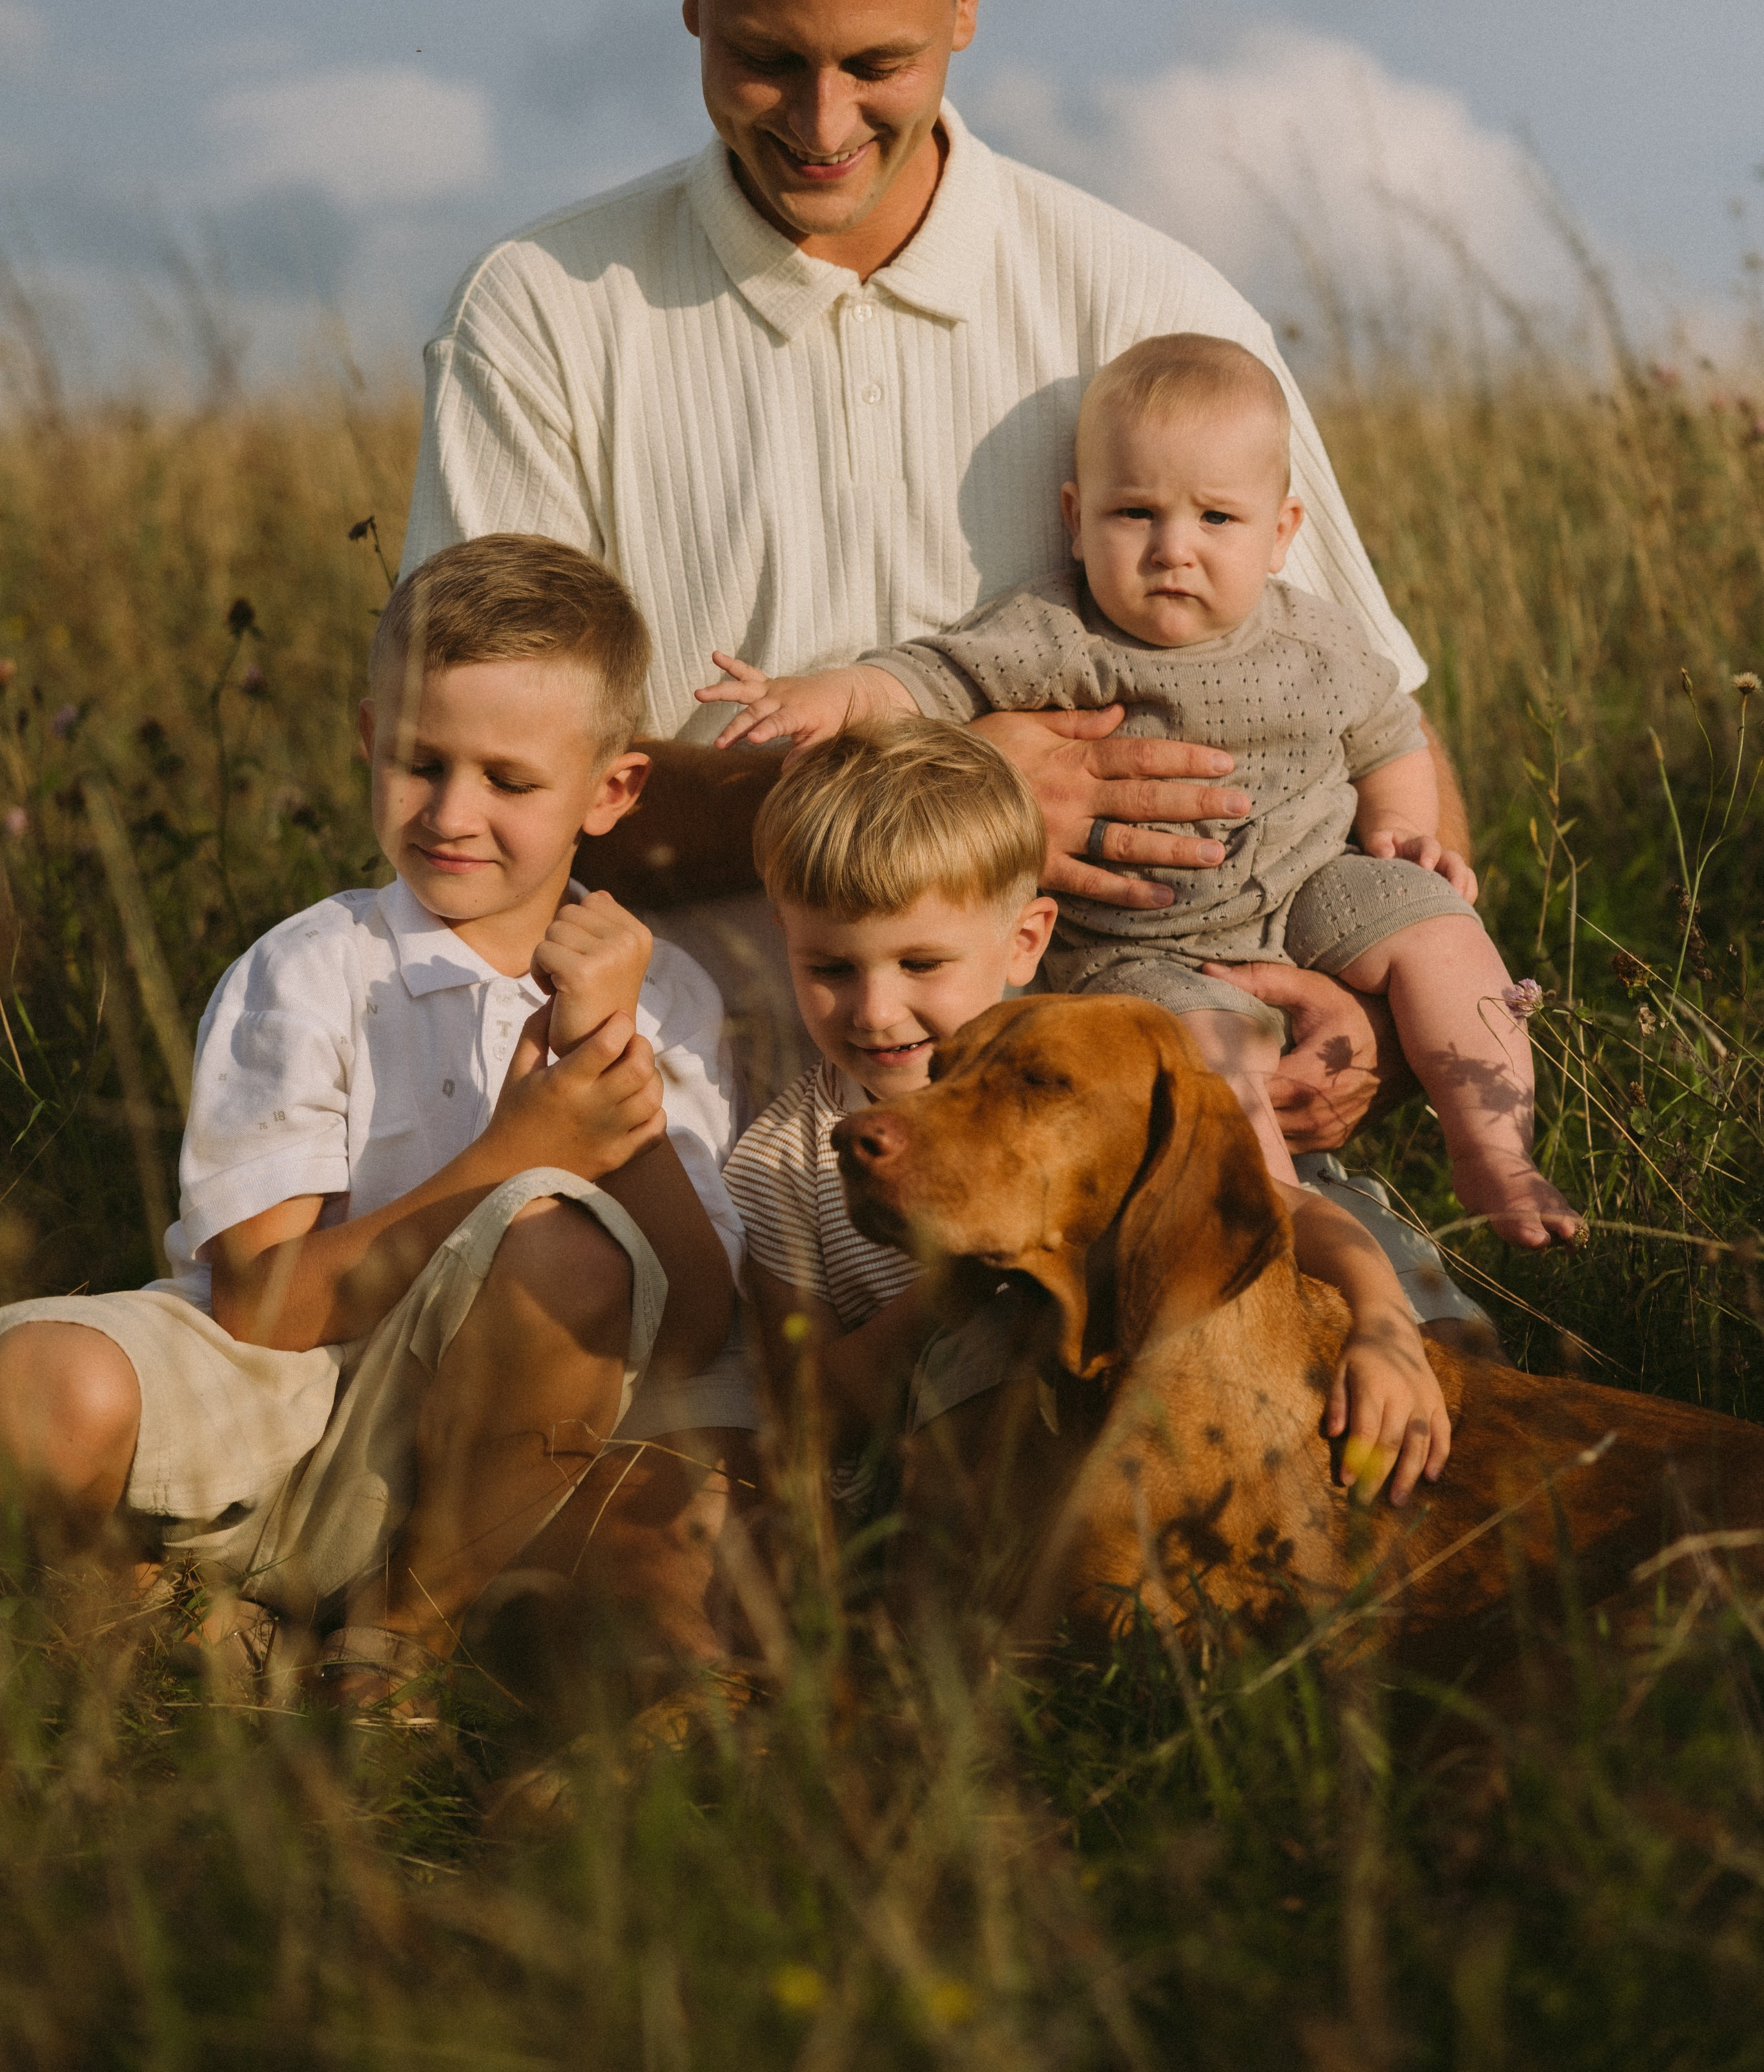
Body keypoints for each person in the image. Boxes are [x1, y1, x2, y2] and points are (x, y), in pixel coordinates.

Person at [401, 0, 1462, 1155]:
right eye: (765, 59)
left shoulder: (1156, 310)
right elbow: (479, 810)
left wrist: (1367, 1019)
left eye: (876, 63)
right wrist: (956, 785)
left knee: (1378, 1306)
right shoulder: (538, 313)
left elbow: (1374, 726)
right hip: (678, 1130)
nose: (822, 123)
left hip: (1111, 1129)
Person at [0, 535, 748, 1707]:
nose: (452, 812)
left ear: (613, 791)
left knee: (569, 1253)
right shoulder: (308, 969)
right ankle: (135, 1602)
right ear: (367, 738)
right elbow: (258, 1310)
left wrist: (612, 1079)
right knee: (38, 1384)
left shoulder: (666, 999)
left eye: (508, 781)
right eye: (418, 762)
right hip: (265, 1406)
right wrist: (515, 1153)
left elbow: (697, 1328)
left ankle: (393, 1645)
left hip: (492, 1468)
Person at [703, 334, 1581, 1253]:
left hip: (1313, 885)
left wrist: (1402, 830)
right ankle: (1283, 1235)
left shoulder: (1319, 641)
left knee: (1442, 931)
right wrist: (826, 697)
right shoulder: (1058, 631)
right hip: (1142, 945)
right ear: (1076, 520)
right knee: (1205, 1064)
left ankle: (1493, 1149)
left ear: (1282, 532)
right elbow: (929, 678)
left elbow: (1389, 735)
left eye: (1216, 518)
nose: (1173, 550)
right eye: (1135, 514)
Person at [726, 719, 1451, 1512]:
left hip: (1165, 1434)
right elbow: (806, 1415)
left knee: (1425, 1336)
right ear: (784, 941)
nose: (875, 1010)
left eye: (921, 963)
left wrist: (1385, 1323)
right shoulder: (781, 1163)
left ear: (1025, 939)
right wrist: (958, 1280)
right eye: (831, 968)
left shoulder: (1088, 1073)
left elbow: (1287, 1209)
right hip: (944, 1501)